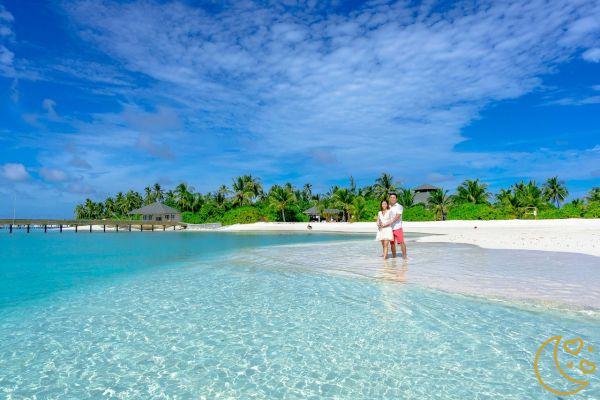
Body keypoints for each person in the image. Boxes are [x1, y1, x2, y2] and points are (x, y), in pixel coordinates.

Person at [388, 193, 407, 259]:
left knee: (401, 242)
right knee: (392, 243)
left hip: (398, 227)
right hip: (390, 228)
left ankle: (404, 257)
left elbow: (398, 216)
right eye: (391, 197)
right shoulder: (388, 207)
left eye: (394, 197)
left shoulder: (399, 206)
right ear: (389, 198)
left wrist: (390, 222)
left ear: (396, 199)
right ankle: (394, 257)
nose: (392, 198)